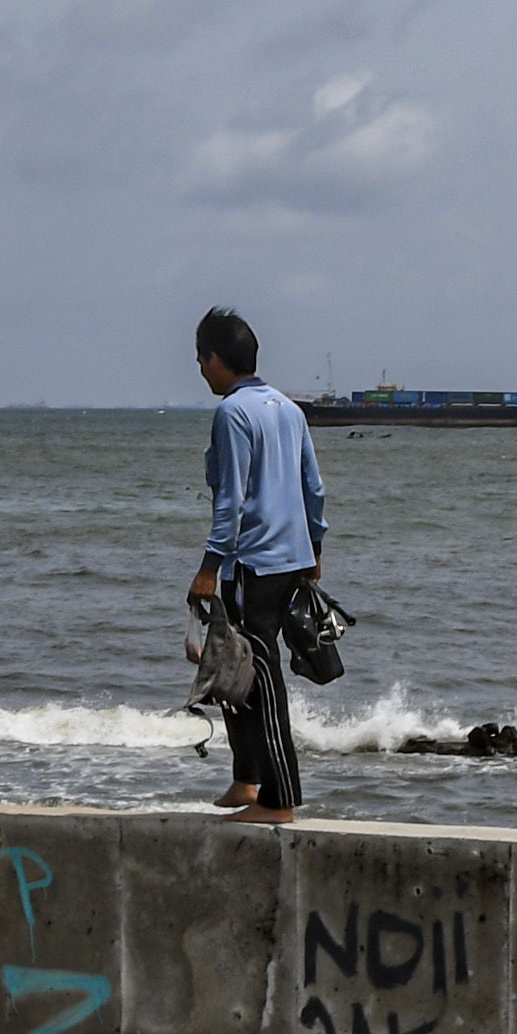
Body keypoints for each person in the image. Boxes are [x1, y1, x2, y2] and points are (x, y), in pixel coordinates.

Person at [187, 306, 324, 824]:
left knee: (261, 679)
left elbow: (233, 502)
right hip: (290, 559)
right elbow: (314, 488)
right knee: (232, 668)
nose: (201, 370)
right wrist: (315, 550)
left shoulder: (233, 413)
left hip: (255, 565)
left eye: (201, 360)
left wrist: (209, 565)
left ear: (217, 359)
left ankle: (279, 800)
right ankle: (246, 778)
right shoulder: (288, 409)